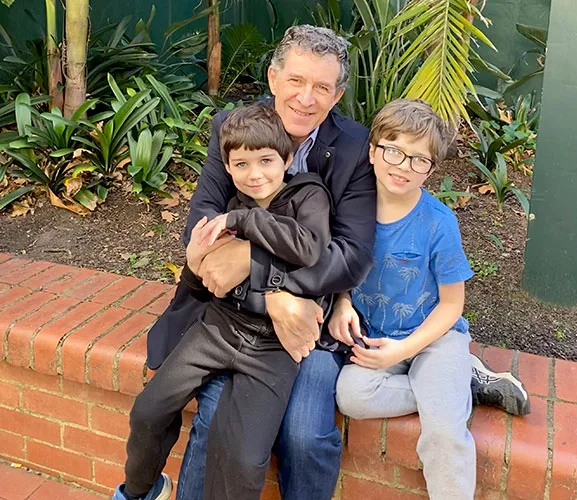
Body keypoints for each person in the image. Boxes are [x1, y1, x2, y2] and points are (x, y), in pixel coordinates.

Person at [149, 25, 528, 500]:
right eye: (296, 80)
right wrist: (267, 295)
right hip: (238, 314)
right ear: (273, 77)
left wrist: (262, 271)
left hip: (317, 317)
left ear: (338, 94)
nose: (306, 98)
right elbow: (204, 225)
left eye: (322, 87)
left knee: (305, 433)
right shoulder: (235, 126)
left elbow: (349, 254)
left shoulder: (354, 147)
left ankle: (449, 387)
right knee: (216, 414)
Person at [112, 103, 334, 500]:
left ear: (287, 159)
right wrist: (196, 263)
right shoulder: (234, 204)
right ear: (228, 168)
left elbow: (308, 247)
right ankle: (140, 492)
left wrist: (241, 223)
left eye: (266, 161)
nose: (255, 174)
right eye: (241, 164)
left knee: (245, 460)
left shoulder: (308, 196)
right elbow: (207, 283)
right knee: (149, 409)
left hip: (273, 348)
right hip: (219, 329)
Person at [331, 99, 530, 500]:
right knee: (351, 396)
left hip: (435, 337)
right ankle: (462, 385)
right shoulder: (351, 209)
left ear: (432, 168)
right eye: (394, 151)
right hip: (376, 337)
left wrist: (404, 350)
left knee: (443, 431)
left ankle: (451, 386)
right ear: (372, 151)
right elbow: (340, 266)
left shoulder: (439, 223)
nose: (403, 166)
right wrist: (341, 302)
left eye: (418, 159)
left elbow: (452, 305)